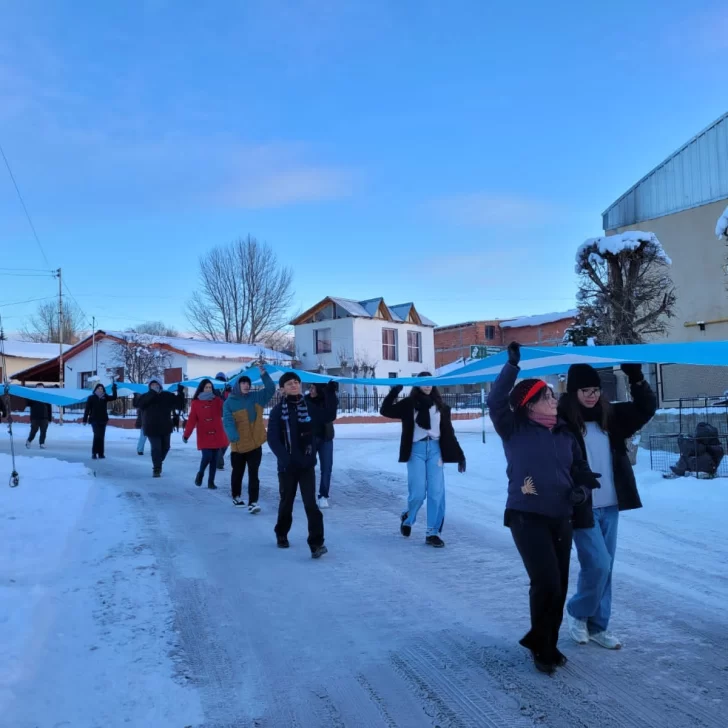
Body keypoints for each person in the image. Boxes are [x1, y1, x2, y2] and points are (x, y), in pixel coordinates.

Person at [488, 342, 600, 674]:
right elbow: (496, 400)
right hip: (526, 515)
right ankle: (541, 645)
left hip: (561, 516)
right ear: (529, 404)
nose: (554, 401)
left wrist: (581, 488)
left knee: (560, 584)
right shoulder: (514, 428)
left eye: (552, 396)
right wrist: (511, 367)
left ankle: (545, 644)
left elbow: (577, 466)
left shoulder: (565, 432)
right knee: (546, 582)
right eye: (547, 397)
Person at [558, 362, 657, 650]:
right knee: (598, 565)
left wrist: (636, 378)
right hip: (581, 506)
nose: (591, 395)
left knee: (606, 567)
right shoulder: (562, 420)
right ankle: (578, 613)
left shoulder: (610, 416)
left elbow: (645, 408)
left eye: (596, 390)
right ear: (574, 391)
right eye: (585, 390)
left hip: (611, 503)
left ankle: (599, 626)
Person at [380, 373, 466, 547]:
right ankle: (408, 517)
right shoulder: (409, 405)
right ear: (418, 385)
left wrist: (460, 455)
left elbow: (449, 433)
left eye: (430, 383)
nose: (427, 386)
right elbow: (385, 410)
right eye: (424, 383)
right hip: (415, 451)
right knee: (418, 493)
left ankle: (432, 533)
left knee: (436, 493)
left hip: (435, 451)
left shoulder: (440, 407)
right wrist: (394, 392)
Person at [267, 372, 338, 558]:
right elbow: (273, 440)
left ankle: (316, 543)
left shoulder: (309, 407)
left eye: (297, 382)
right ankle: (281, 533)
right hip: (287, 467)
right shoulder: (277, 412)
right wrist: (286, 460)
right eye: (290, 383)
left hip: (306, 465)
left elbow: (329, 415)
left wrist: (330, 392)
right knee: (286, 503)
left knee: (311, 505)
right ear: (282, 389)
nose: (294, 385)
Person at [222, 365, 276, 510]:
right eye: (243, 383)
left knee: (254, 473)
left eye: (248, 383)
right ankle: (236, 496)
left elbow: (271, 389)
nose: (246, 386)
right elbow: (227, 420)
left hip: (255, 443)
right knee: (238, 472)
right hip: (238, 445)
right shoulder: (229, 402)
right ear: (238, 385)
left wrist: (264, 375)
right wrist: (233, 435)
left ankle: (253, 501)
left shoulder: (256, 397)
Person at [183, 379, 228, 490]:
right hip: (204, 434)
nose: (208, 389)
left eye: (210, 387)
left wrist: (227, 394)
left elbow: (227, 407)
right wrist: (186, 435)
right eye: (206, 387)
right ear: (202, 388)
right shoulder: (196, 403)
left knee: (214, 459)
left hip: (217, 433)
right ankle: (201, 473)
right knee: (207, 456)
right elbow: (192, 420)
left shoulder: (217, 400)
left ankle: (211, 482)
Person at [137, 377, 186, 477]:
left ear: (160, 386)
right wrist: (152, 393)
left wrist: (181, 393)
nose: (155, 386)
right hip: (151, 428)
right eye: (152, 385)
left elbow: (180, 405)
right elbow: (140, 405)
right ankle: (157, 468)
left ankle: (158, 461)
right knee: (156, 448)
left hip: (165, 427)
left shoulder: (166, 395)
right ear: (149, 386)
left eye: (157, 385)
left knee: (166, 447)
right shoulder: (145, 396)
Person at [305, 381, 339, 509]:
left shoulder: (327, 401)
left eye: (313, 388)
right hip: (311, 438)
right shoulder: (306, 401)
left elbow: (333, 408)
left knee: (327, 467)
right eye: (310, 388)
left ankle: (323, 495)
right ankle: (308, 493)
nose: (311, 390)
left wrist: (330, 391)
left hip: (326, 438)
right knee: (308, 467)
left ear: (320, 389)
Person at [82, 381, 118, 459]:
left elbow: (114, 397)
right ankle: (94, 453)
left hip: (103, 420)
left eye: (102, 388)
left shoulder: (105, 397)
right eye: (99, 388)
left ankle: (101, 453)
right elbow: (87, 409)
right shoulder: (91, 397)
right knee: (96, 436)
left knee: (101, 437)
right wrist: (84, 419)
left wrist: (114, 388)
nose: (100, 390)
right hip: (94, 420)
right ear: (96, 389)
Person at [25, 383, 52, 449]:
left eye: (41, 387)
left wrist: (49, 418)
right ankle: (29, 440)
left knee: (43, 431)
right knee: (34, 430)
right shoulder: (33, 396)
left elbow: (49, 408)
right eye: (38, 387)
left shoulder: (46, 396)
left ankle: (42, 443)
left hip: (44, 417)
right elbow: (28, 403)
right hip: (35, 417)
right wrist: (29, 396)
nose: (40, 389)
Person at [215, 372, 231, 470]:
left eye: (222, 379)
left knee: (226, 441)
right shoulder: (213, 391)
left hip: (228, 419)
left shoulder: (228, 391)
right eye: (218, 379)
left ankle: (217, 458)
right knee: (218, 440)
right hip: (216, 419)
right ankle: (219, 462)